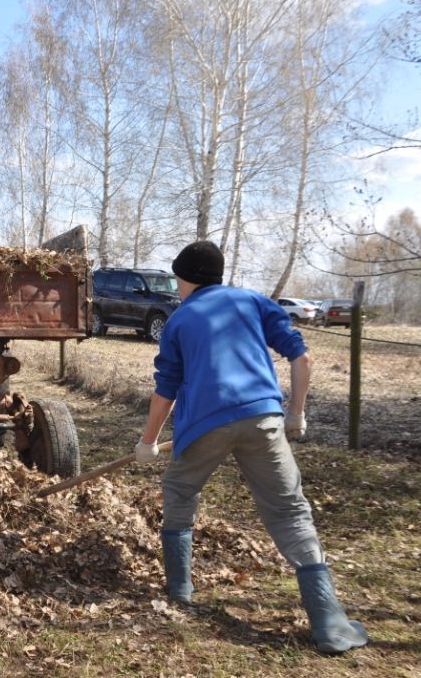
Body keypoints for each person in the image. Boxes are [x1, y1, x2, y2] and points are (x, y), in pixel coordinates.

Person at [135, 240, 367, 654]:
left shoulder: (180, 320)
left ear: (184, 279)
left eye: (177, 279)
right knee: (289, 510)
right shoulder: (254, 302)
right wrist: (295, 412)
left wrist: (148, 441)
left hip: (204, 425)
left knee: (180, 491)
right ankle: (330, 622)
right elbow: (302, 357)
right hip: (263, 418)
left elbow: (165, 390)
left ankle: (180, 590)